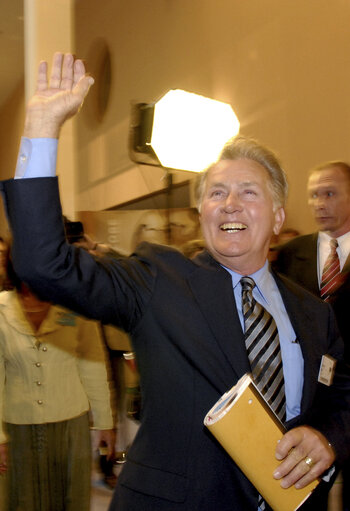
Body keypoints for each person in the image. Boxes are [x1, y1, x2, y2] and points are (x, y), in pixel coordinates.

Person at [1, 52, 350, 511]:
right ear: (201, 212)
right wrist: (43, 126)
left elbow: (341, 392)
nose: (229, 204)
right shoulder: (159, 281)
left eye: (248, 192)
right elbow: (45, 265)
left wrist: (327, 438)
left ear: (279, 215)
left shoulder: (314, 312)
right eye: (217, 193)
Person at [0, 246, 115, 511]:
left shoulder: (75, 304)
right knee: (22, 500)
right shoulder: (2, 309)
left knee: (70, 499)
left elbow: (93, 363)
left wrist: (104, 420)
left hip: (70, 425)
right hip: (18, 426)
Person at [274, 160, 350, 509]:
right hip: (311, 394)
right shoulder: (291, 254)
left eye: (330, 194)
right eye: (314, 195)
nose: (319, 203)